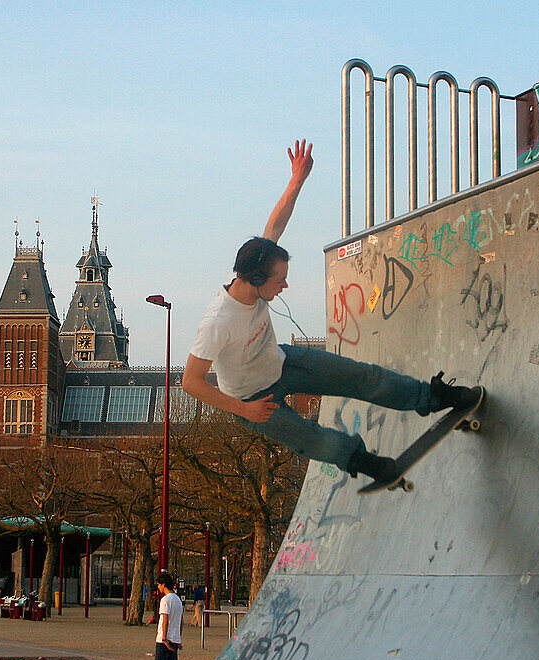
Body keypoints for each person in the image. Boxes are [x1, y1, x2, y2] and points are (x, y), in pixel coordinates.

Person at [182, 140, 478, 486]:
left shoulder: (258, 267)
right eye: (280, 281)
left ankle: (433, 397)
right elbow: (191, 382)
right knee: (311, 438)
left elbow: (275, 225)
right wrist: (244, 410)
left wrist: (296, 180)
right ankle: (365, 462)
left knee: (361, 376)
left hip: (284, 362)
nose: (284, 287)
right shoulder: (218, 321)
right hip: (252, 399)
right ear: (258, 278)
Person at [151, 572, 182, 660]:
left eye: (159, 585)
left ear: (163, 585)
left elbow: (164, 619)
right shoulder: (178, 599)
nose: (158, 587)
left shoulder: (165, 600)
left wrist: (164, 638)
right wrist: (179, 638)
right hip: (175, 639)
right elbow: (181, 621)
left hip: (165, 640)